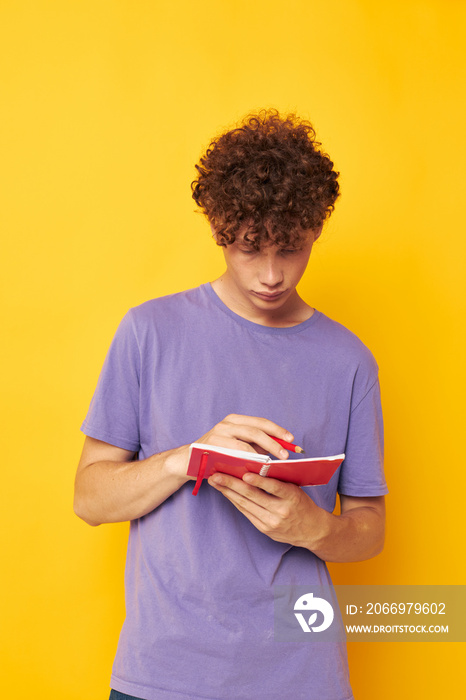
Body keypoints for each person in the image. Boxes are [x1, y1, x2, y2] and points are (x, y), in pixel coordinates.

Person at [74, 109, 387, 700]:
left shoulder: (350, 362)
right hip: (164, 676)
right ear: (219, 227)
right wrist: (185, 458)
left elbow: (371, 528)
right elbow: (89, 499)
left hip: (300, 677)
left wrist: (315, 527)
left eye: (290, 249)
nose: (271, 274)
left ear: (316, 229)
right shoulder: (150, 332)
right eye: (250, 248)